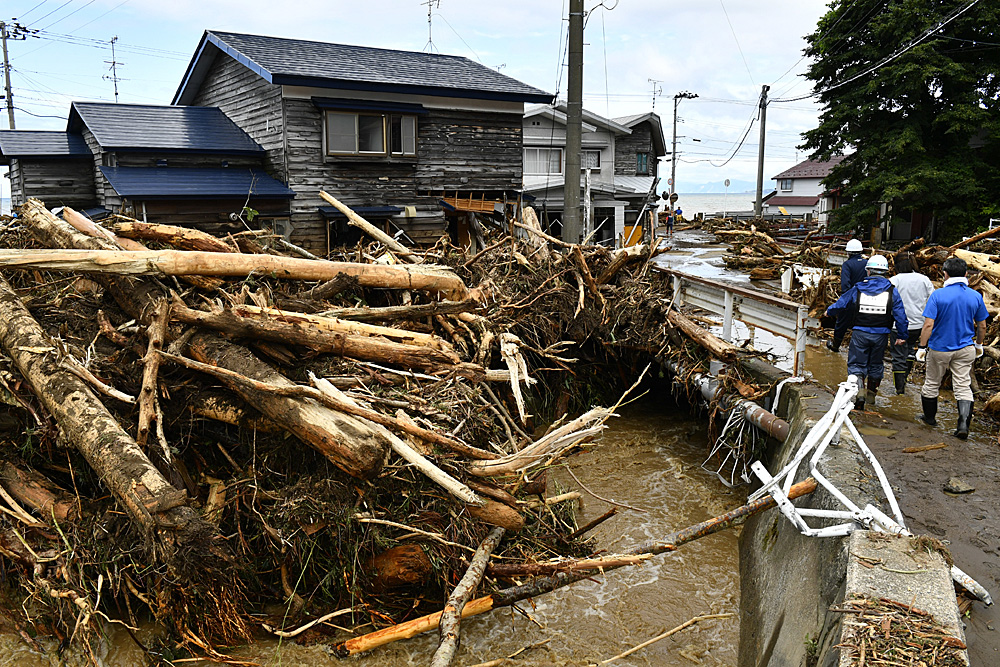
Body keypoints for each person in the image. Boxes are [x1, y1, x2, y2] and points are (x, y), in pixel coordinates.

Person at [915, 257, 988, 439]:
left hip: (940, 348)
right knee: (963, 386)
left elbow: (928, 325)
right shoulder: (975, 296)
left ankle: (930, 419)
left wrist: (922, 347)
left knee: (932, 383)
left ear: (945, 274)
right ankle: (963, 425)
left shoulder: (938, 295)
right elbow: (982, 325)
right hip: (965, 348)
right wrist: (978, 344)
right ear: (965, 274)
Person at [825, 254, 908, 411]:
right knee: (876, 365)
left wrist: (828, 312)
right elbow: (901, 316)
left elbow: (841, 303)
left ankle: (860, 394)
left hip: (860, 333)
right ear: (885, 272)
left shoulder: (858, 288)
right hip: (881, 335)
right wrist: (902, 336)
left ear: (868, 271)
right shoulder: (892, 291)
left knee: (857, 365)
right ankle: (871, 397)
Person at [888, 252, 934, 394]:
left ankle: (899, 389)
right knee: (908, 353)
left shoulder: (894, 280)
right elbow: (932, 300)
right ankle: (904, 380)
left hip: (898, 325)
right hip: (918, 325)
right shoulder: (924, 280)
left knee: (898, 357)